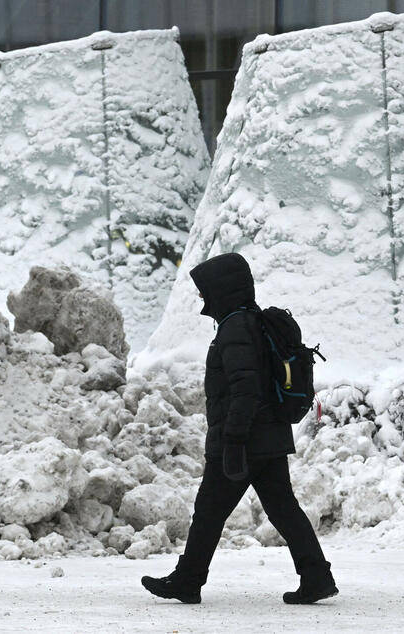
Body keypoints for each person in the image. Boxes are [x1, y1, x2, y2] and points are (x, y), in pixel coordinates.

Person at [141, 252, 337, 605]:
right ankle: (316, 576)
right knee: (282, 508)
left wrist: (232, 438)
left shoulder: (236, 328)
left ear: (222, 291)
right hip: (270, 436)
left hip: (244, 439)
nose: (203, 300)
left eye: (206, 292)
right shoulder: (252, 323)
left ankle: (188, 580)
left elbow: (244, 389)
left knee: (209, 510)